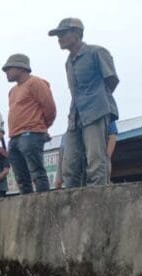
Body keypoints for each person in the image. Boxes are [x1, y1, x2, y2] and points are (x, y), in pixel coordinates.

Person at [50, 17, 119, 188]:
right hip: (75, 115)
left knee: (95, 159)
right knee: (69, 165)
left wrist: (96, 100)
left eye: (63, 33)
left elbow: (111, 81)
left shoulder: (96, 52)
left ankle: (98, 196)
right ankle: (73, 199)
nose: (59, 38)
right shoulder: (68, 62)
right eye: (58, 35)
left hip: (96, 111)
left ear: (76, 33)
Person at [3, 53, 57, 194]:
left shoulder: (36, 83)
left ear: (21, 68)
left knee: (37, 172)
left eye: (9, 69)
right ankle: (28, 203)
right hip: (14, 137)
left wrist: (41, 127)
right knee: (21, 177)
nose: (6, 72)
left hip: (31, 134)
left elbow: (50, 108)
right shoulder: (12, 91)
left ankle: (44, 202)